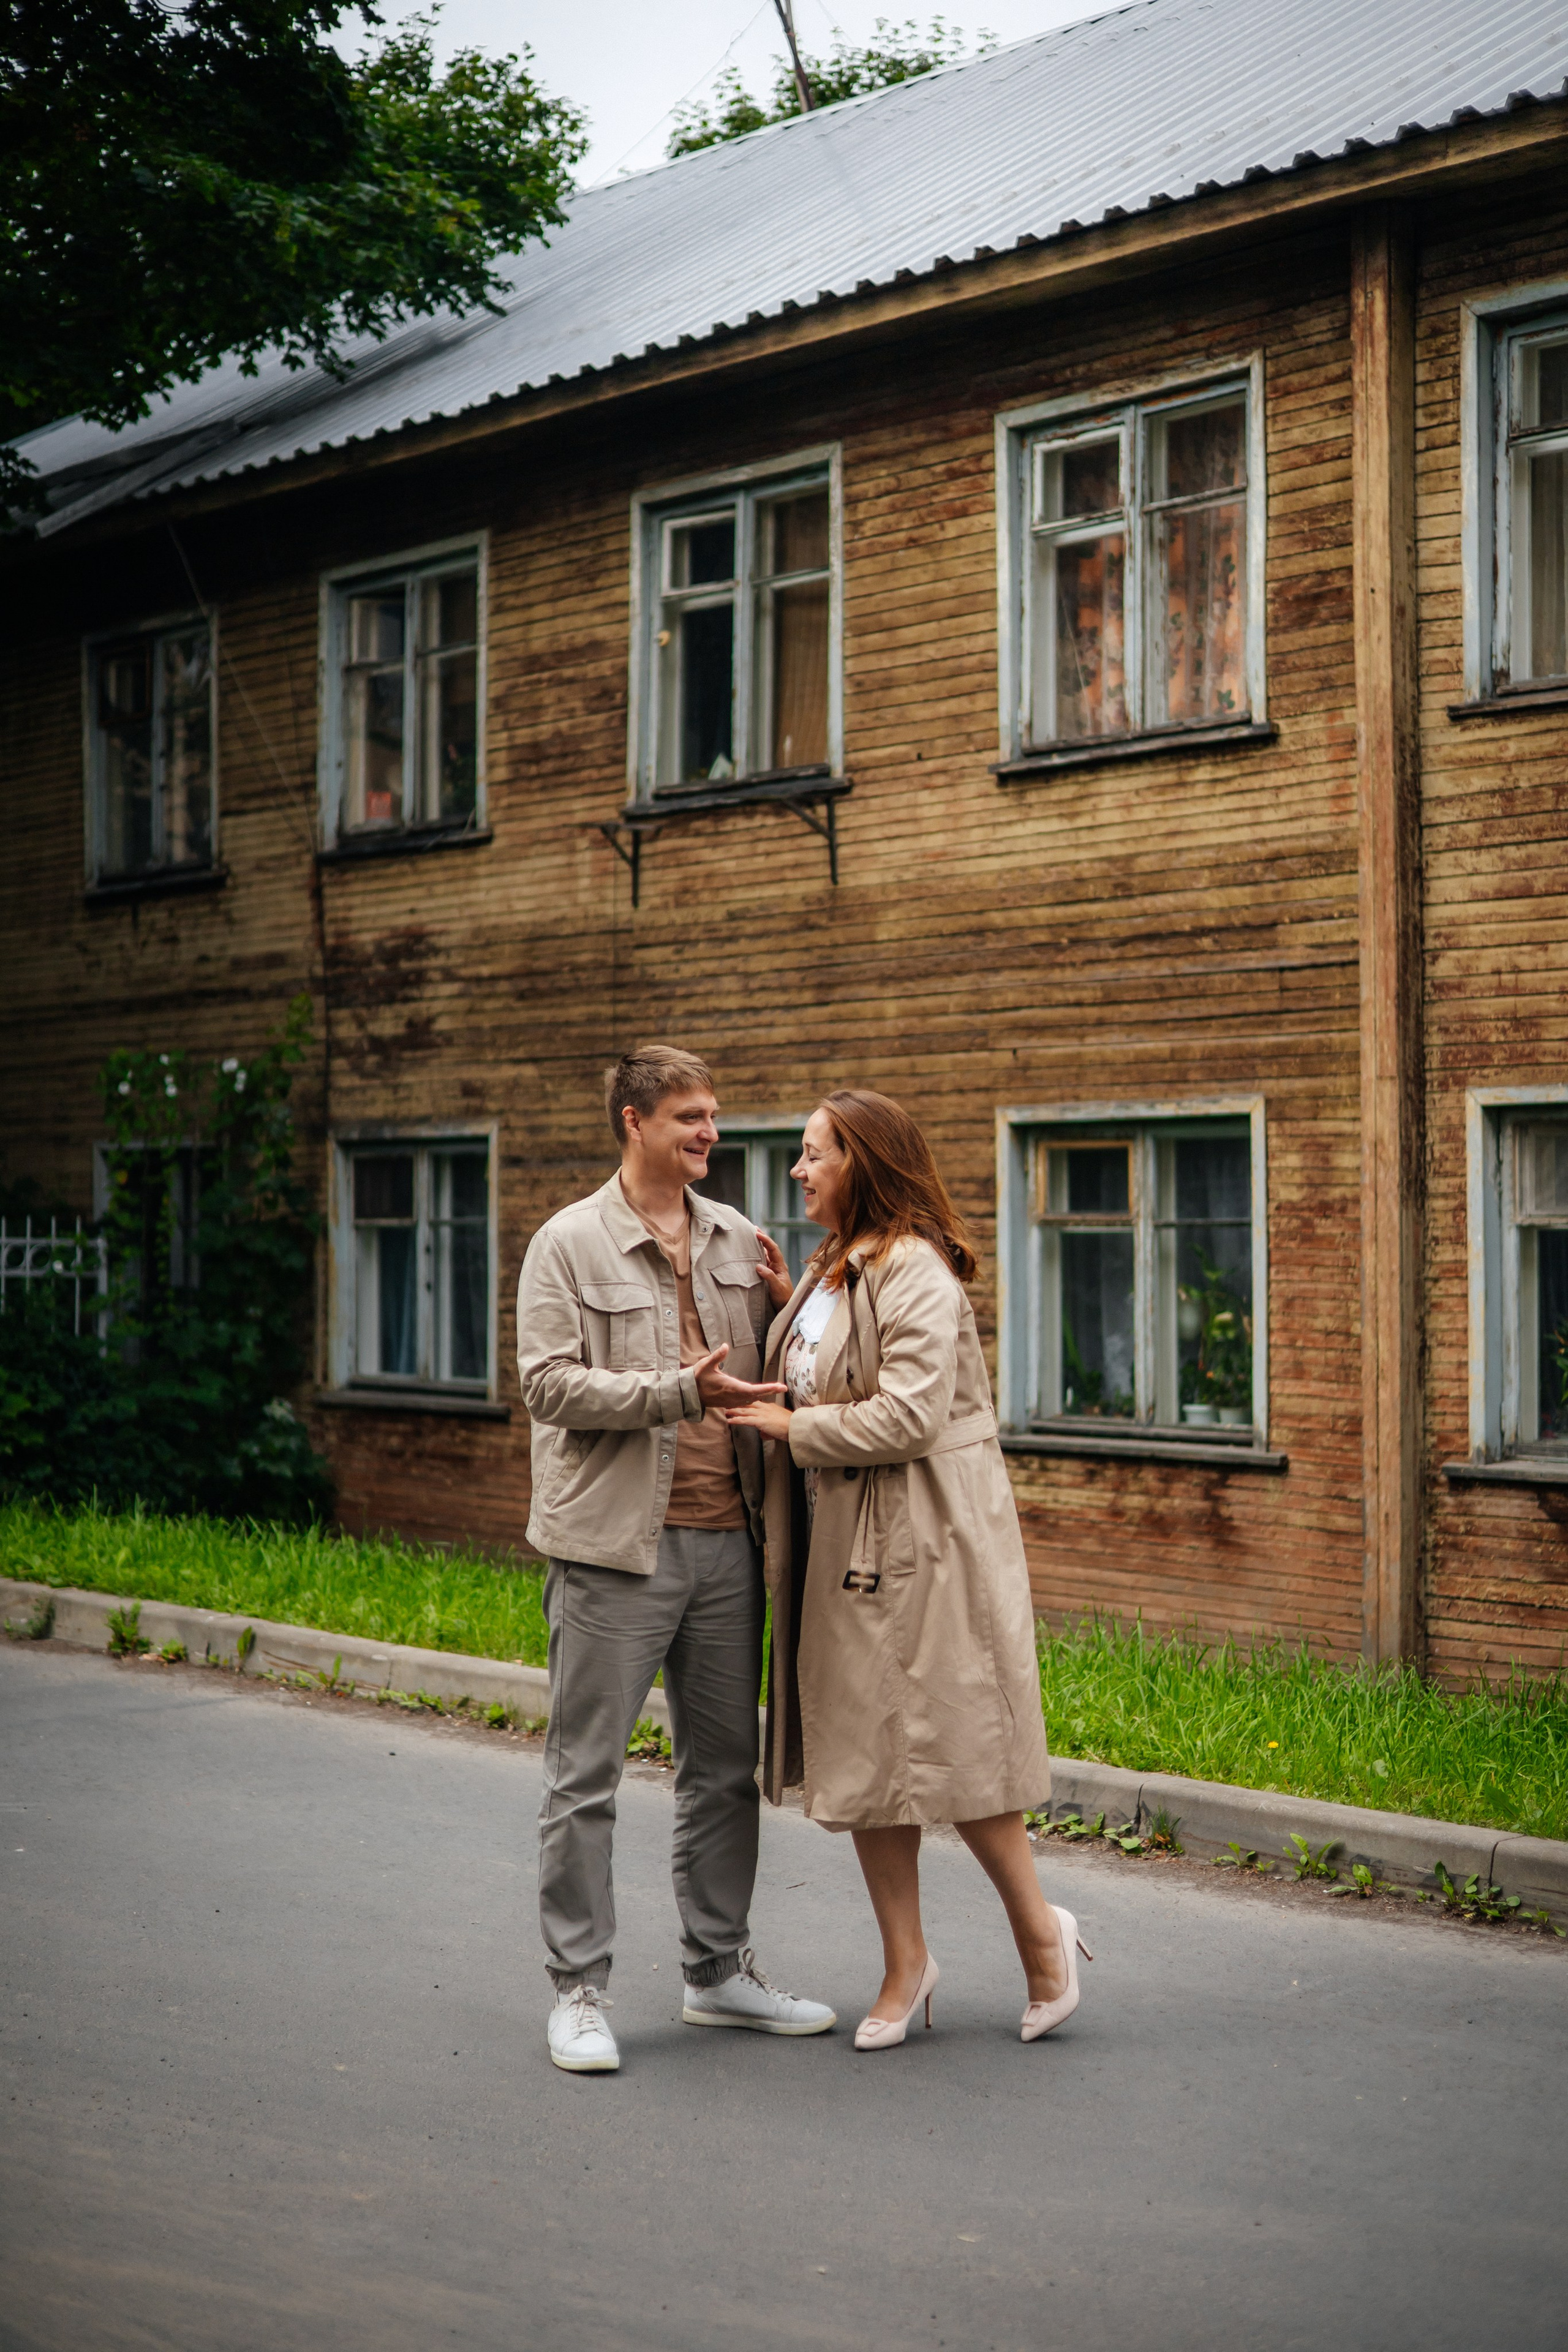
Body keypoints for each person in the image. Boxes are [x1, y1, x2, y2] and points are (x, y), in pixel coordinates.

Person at [726, 1090, 1090, 2051]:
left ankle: (1043, 1940)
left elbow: (910, 1416)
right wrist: (786, 1310)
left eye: (815, 1154)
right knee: (866, 1754)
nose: (800, 1170)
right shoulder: (833, 1267)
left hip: (926, 1541)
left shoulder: (912, 1265)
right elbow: (838, 1366)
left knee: (955, 1746)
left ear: (865, 1162)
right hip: (848, 1542)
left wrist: (790, 1427)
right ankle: (905, 1963)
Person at [516, 1044, 836, 2073]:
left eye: (714, 1116)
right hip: (616, 1551)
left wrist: (791, 1309)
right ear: (634, 1121)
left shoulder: (739, 1238)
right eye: (690, 1117)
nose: (710, 1133)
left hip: (729, 1543)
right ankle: (578, 1992)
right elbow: (550, 1387)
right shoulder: (568, 1244)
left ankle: (717, 1974)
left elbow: (769, 1374)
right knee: (586, 1779)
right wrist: (670, 1391)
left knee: (725, 1774)